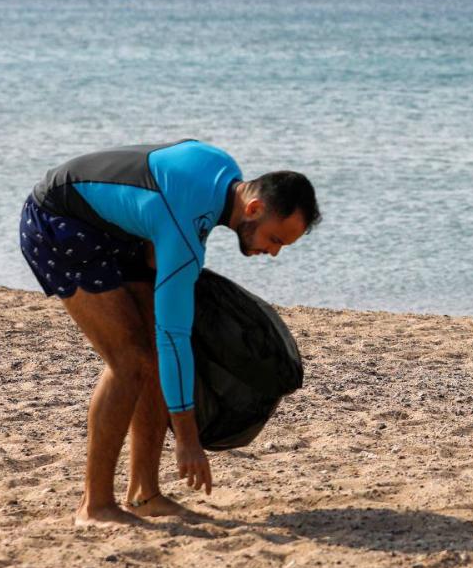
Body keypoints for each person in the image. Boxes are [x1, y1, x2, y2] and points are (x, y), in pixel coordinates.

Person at [19, 140, 319, 526]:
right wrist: (187, 440)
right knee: (130, 361)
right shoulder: (185, 231)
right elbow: (173, 335)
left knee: (154, 360)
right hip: (59, 222)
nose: (273, 252)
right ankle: (94, 506)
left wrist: (154, 237)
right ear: (255, 209)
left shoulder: (223, 169)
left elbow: (161, 197)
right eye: (275, 239)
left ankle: (145, 495)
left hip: (118, 230)